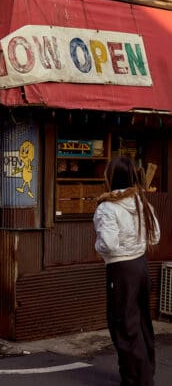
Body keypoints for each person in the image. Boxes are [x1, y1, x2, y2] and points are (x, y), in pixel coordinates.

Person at [93, 156, 160, 386]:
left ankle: (138, 380)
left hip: (121, 270)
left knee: (123, 325)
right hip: (141, 267)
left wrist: (98, 247)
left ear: (111, 178)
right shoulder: (142, 203)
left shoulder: (108, 207)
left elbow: (109, 244)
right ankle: (144, 373)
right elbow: (155, 236)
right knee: (142, 323)